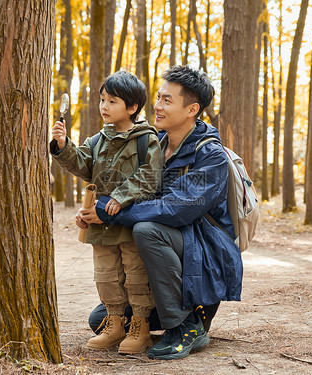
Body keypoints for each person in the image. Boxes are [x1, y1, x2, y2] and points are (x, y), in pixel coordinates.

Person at [78, 65, 243, 360]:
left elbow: (177, 209)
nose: (156, 106)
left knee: (146, 229)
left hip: (202, 252)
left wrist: (113, 214)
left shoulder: (211, 155)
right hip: (168, 251)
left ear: (192, 109)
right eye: (157, 97)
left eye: (167, 100)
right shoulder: (154, 143)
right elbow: (127, 190)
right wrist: (96, 212)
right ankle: (155, 318)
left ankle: (186, 324)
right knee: (99, 320)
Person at [51, 71, 162, 354]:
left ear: (132, 107)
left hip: (128, 222)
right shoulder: (97, 140)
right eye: (102, 99)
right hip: (101, 225)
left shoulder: (145, 140)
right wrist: (63, 146)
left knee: (136, 276)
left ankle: (141, 327)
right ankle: (114, 325)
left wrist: (121, 197)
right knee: (106, 276)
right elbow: (82, 164)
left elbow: (150, 176)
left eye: (112, 101)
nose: (104, 106)